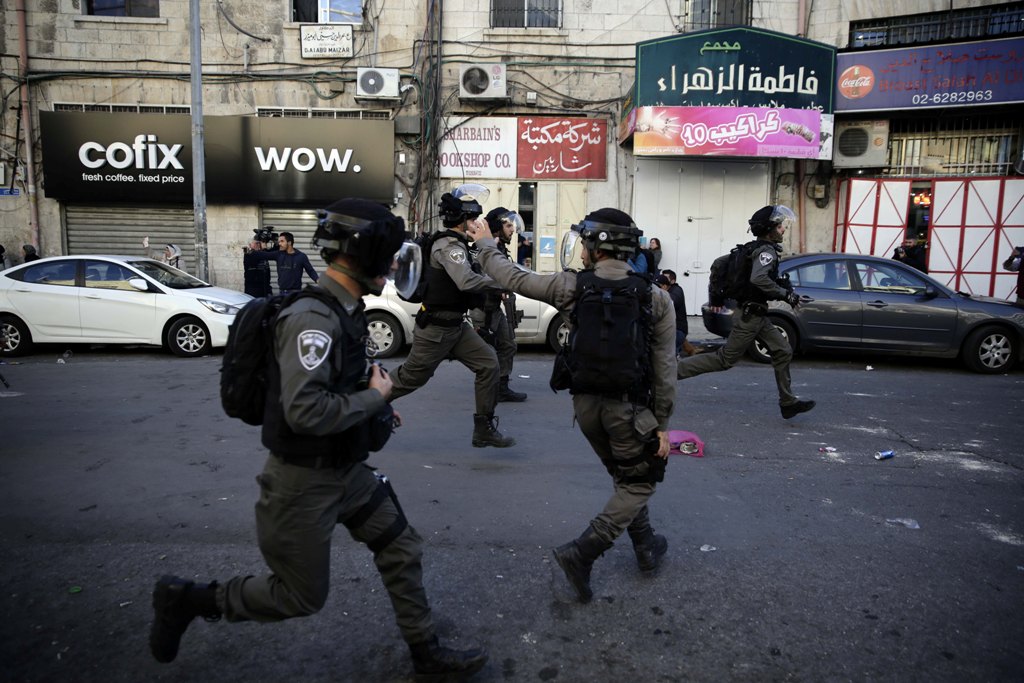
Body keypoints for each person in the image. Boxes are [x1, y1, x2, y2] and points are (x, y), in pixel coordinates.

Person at [148, 198, 488, 681]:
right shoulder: (314, 320)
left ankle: (424, 652)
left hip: (343, 468)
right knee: (299, 596)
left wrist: (375, 406)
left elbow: (337, 389)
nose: (394, 265)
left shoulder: (343, 310)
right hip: (302, 481)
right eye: (387, 253)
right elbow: (306, 412)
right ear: (361, 253)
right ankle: (189, 599)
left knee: (400, 547)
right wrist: (375, 399)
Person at [467, 208, 676, 603]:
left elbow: (512, 276)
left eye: (584, 241)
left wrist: (486, 246)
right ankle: (583, 553)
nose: (581, 248)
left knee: (623, 473)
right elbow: (665, 370)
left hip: (584, 408)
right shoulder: (656, 298)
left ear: (596, 246)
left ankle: (646, 544)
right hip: (630, 410)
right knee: (640, 481)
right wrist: (662, 425)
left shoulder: (571, 286)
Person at [388, 185, 514, 448]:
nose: (477, 223)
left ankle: (484, 428)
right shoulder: (448, 246)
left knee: (489, 364)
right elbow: (466, 281)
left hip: (455, 327)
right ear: (461, 221)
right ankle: (364, 404)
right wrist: (501, 283)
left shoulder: (461, 245)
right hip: (435, 328)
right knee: (410, 379)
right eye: (472, 219)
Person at [677, 205, 815, 420]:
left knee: (783, 350)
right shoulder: (766, 251)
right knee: (724, 360)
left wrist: (716, 296)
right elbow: (758, 279)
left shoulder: (750, 248)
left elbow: (718, 264)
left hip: (757, 315)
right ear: (770, 229)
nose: (783, 230)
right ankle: (667, 374)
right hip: (750, 316)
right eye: (780, 226)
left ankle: (788, 403)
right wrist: (784, 294)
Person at [470, 206, 527, 403]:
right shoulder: (484, 247)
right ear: (497, 226)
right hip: (482, 309)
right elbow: (478, 277)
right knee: (485, 352)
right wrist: (499, 286)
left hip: (494, 308)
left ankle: (501, 387)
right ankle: (487, 389)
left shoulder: (499, 248)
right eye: (508, 225)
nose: (512, 230)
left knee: (508, 345)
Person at [248, 232, 320, 294]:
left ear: (289, 242)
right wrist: (251, 250)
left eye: (282, 241)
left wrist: (318, 280)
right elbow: (263, 255)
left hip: (296, 294)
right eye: (279, 241)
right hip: (282, 293)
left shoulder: (301, 256)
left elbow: (310, 271)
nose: (279, 244)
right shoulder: (279, 254)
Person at [657, 270, 696, 357]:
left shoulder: (676, 290)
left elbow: (673, 302)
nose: (663, 279)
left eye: (666, 278)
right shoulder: (663, 291)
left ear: (672, 281)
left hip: (677, 330)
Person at [242, 233, 274, 298]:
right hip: (253, 291)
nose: (258, 245)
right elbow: (261, 256)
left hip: (265, 288)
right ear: (250, 245)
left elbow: (274, 253)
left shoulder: (262, 253)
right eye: (256, 243)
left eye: (259, 243)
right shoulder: (249, 255)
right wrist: (264, 248)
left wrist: (275, 242)